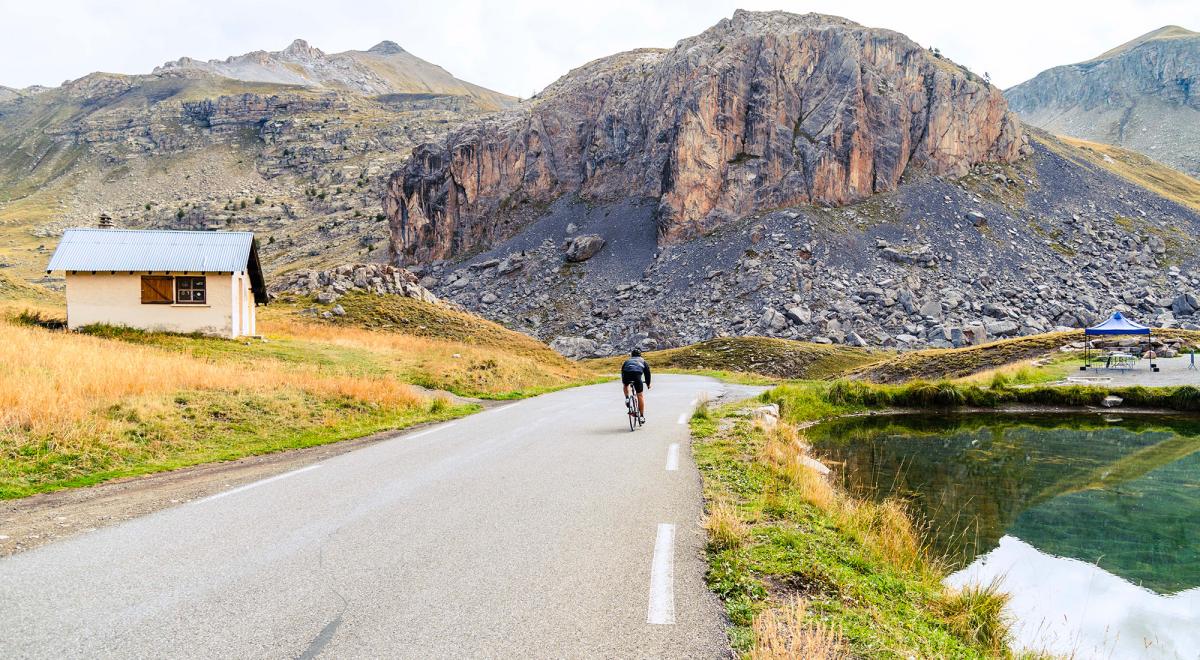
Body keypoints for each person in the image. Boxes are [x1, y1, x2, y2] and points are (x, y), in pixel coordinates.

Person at [621, 349, 651, 423]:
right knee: (640, 395)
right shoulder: (643, 361)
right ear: (640, 355)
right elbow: (647, 374)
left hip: (626, 375)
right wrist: (648, 384)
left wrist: (624, 382)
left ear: (631, 355)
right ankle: (641, 416)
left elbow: (622, 371)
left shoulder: (627, 361)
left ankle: (627, 398)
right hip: (637, 376)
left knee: (625, 385)